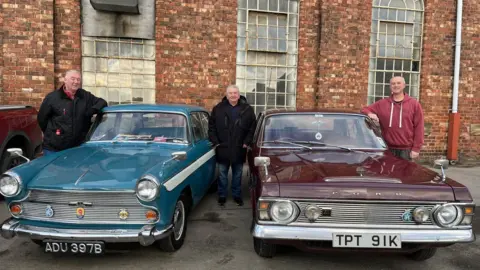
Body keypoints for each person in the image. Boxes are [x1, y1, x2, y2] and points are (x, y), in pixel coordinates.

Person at [37, 70, 108, 155]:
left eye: (78, 79)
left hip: (77, 148)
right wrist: (53, 134)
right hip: (54, 149)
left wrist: (91, 111)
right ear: (65, 80)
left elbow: (102, 102)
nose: (76, 82)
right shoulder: (52, 97)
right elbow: (42, 119)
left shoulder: (85, 95)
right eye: (73, 79)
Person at [208, 85, 256, 206]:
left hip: (239, 147)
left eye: (235, 93)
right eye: (230, 93)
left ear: (239, 95)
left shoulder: (247, 109)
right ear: (226, 95)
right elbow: (211, 127)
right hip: (222, 147)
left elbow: (252, 127)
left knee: (238, 174)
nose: (233, 95)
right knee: (222, 174)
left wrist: (247, 142)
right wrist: (216, 142)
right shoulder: (218, 109)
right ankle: (222, 195)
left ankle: (236, 195)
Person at [361, 76, 424, 160]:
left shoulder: (414, 104)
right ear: (390, 86)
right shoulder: (382, 103)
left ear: (404, 85)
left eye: (398, 83)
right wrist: (369, 113)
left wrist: (416, 148)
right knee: (387, 173)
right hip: (386, 148)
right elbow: (364, 109)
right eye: (393, 83)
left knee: (405, 173)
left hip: (406, 150)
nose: (396, 85)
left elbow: (419, 127)